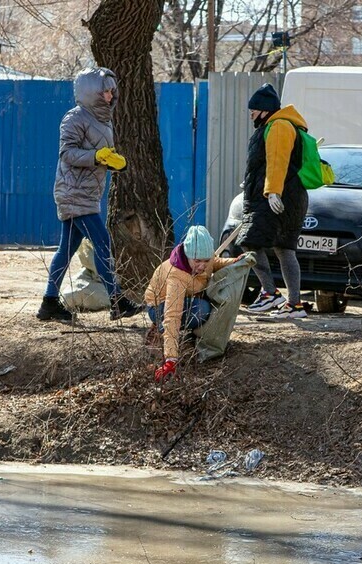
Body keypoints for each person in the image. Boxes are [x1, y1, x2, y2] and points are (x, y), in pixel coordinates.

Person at [36, 66, 144, 323]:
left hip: (86, 193)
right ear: (90, 92)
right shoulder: (74, 118)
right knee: (103, 242)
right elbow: (67, 154)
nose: (110, 96)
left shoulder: (103, 120)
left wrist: (113, 161)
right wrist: (97, 157)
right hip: (74, 193)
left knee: (66, 250)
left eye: (111, 91)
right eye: (105, 92)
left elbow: (98, 155)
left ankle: (49, 303)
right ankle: (118, 301)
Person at [237, 83, 310, 319]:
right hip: (287, 195)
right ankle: (294, 305)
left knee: (250, 240)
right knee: (284, 248)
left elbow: (277, 161)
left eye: (253, 111)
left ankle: (270, 293)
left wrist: (272, 191)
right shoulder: (279, 125)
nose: (251, 115)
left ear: (265, 110)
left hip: (276, 197)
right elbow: (265, 165)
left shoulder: (279, 126)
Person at [145, 226, 243, 383]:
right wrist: (171, 358)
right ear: (188, 255)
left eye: (206, 260)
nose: (202, 266)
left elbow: (215, 262)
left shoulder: (206, 258)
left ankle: (188, 337)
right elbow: (172, 314)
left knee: (206, 305)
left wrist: (235, 261)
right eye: (197, 261)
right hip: (159, 306)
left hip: (187, 298)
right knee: (201, 310)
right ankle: (158, 330)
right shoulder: (176, 275)